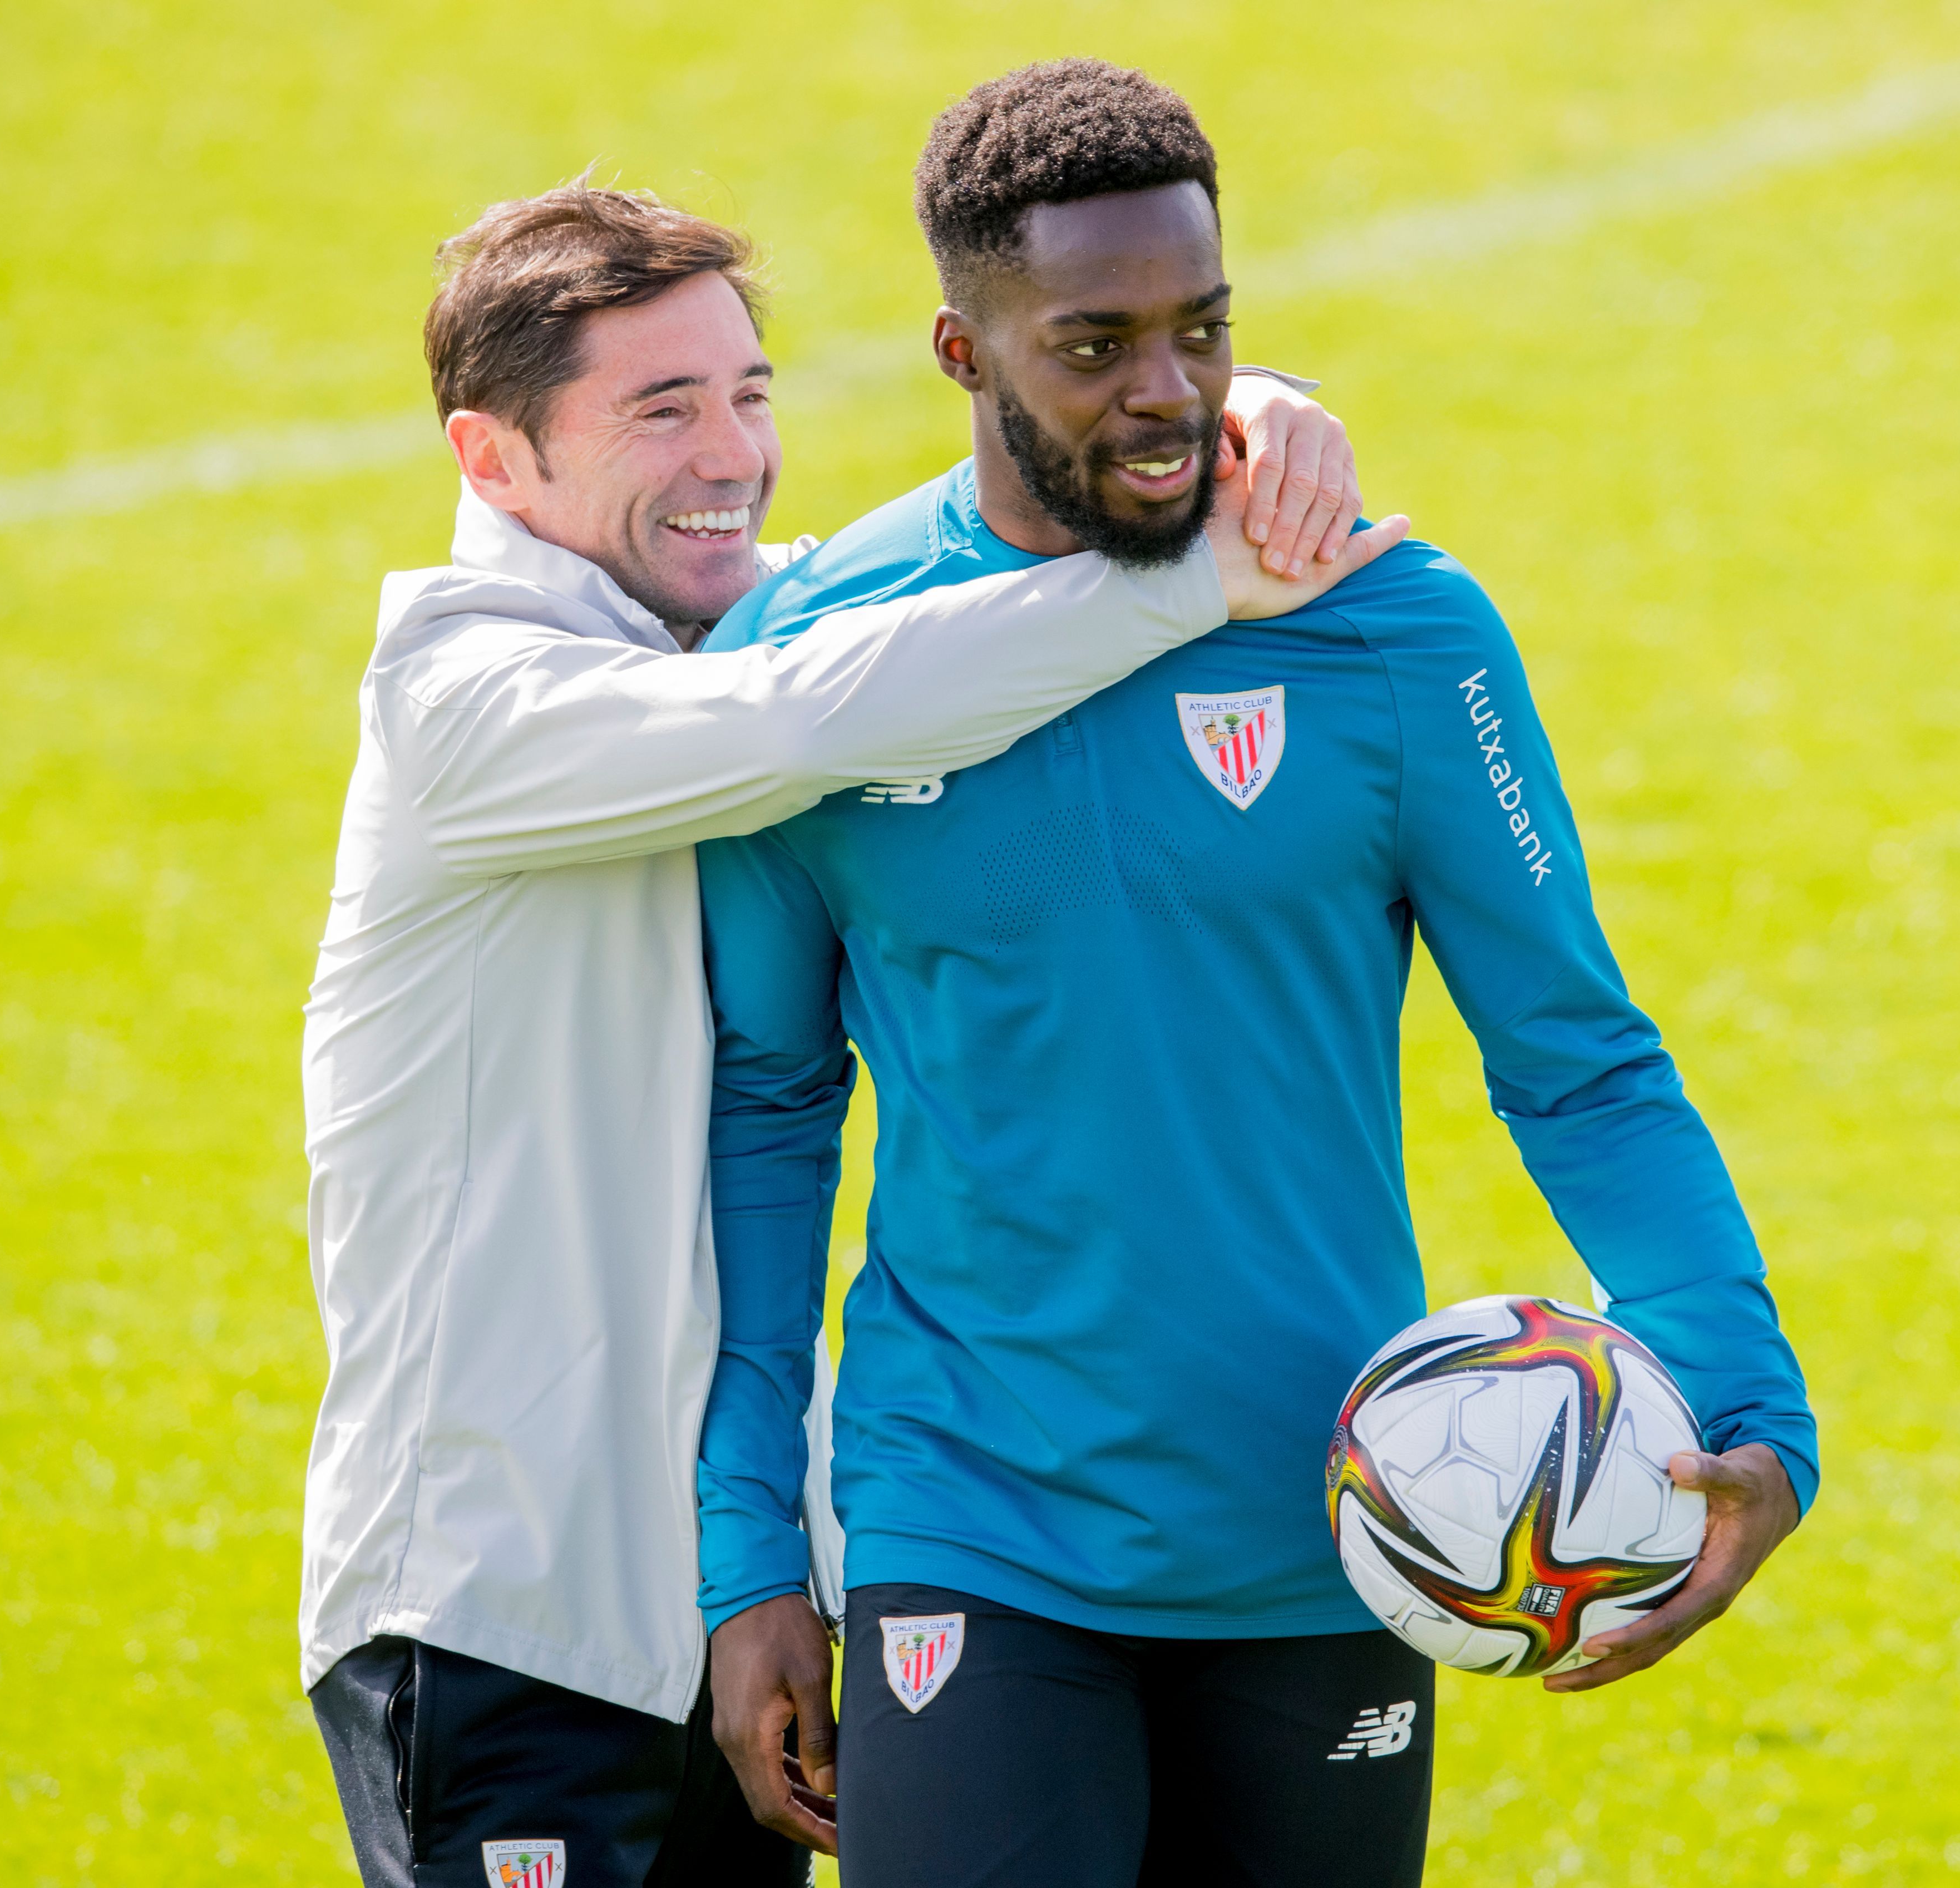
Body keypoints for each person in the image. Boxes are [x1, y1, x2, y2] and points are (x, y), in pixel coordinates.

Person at [693, 59, 1821, 1888]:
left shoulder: (1390, 627)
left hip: (1357, 1523)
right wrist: (749, 1551)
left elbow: (1576, 1057)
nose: (1165, 394)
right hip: (968, 1516)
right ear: (961, 352)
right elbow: (765, 1113)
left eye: (1203, 330)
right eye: (1093, 343)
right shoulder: (814, 661)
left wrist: (1741, 1395)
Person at [297, 178, 1398, 1888]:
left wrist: (1226, 413)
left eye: (749, 391)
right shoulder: (465, 696)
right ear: (491, 459)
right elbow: (804, 711)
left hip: (752, 1603)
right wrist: (1200, 569)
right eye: (660, 407)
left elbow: (975, 559)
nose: (733, 451)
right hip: (501, 1607)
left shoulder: (765, 613)